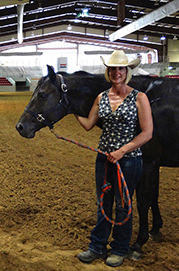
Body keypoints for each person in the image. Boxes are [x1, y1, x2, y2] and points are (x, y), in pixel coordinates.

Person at [74, 50, 153, 267]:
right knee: (103, 203)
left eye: (120, 69)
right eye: (113, 69)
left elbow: (147, 133)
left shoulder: (140, 97)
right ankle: (97, 247)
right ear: (108, 71)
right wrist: (69, 109)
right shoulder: (101, 97)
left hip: (128, 161)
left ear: (127, 71)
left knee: (122, 205)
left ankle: (120, 248)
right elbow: (89, 124)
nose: (116, 72)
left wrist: (122, 151)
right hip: (103, 158)